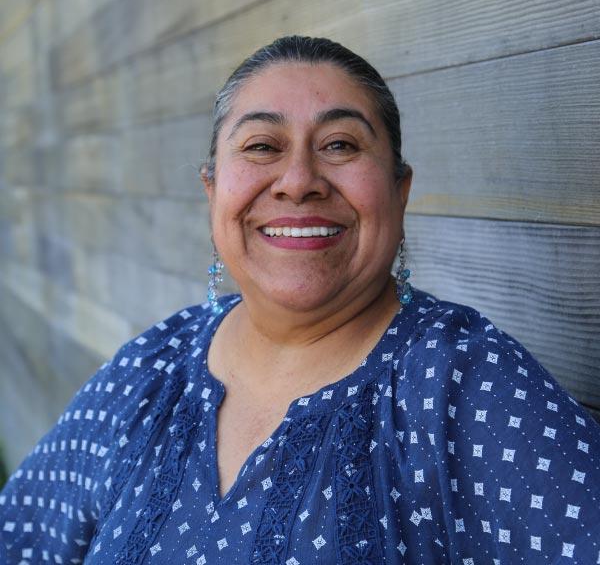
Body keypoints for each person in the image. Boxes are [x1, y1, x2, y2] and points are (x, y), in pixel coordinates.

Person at [1, 35, 599, 565]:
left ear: (400, 189)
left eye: (340, 144)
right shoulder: (151, 372)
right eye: (262, 145)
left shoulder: (465, 387)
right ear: (212, 189)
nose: (297, 179)